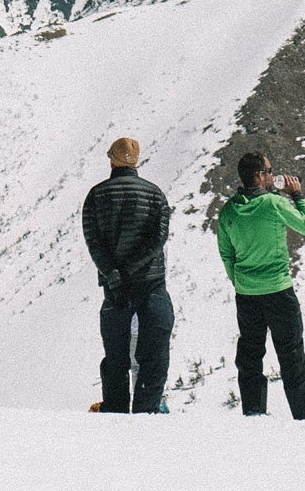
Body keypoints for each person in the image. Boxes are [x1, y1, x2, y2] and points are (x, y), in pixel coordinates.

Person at [213, 152, 305, 421]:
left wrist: (240, 281)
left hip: (247, 293)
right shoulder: (273, 204)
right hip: (278, 290)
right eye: (270, 171)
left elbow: (227, 255)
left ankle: (254, 411)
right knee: (291, 352)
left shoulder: (228, 211)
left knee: (250, 354)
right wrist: (298, 196)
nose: (273, 176)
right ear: (259, 175)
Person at [82, 135, 173, 413]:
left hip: (115, 287)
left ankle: (115, 409)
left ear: (111, 159)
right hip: (151, 283)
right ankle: (147, 410)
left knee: (115, 356)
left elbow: (93, 241)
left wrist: (115, 274)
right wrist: (132, 268)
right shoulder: (156, 194)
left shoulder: (96, 195)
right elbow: (158, 239)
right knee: (154, 353)